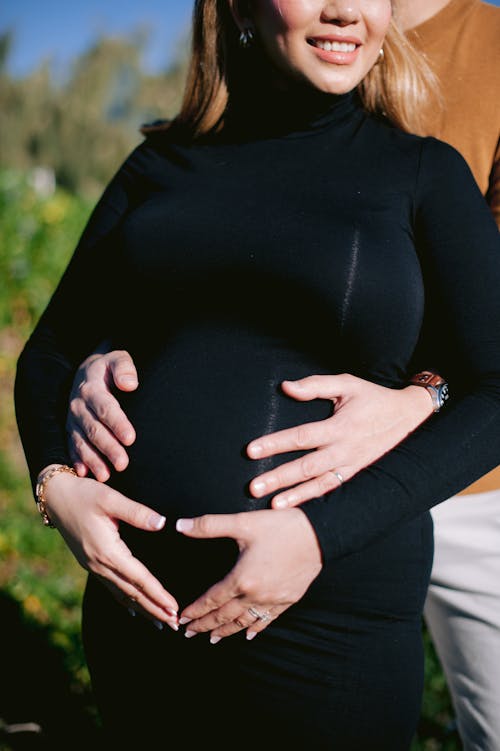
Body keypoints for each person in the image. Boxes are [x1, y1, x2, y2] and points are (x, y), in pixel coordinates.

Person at [15, 1, 500, 749]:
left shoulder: (423, 173)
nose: (344, 8)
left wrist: (316, 536)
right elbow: (48, 350)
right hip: (139, 613)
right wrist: (60, 487)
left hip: (327, 617)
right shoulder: (160, 165)